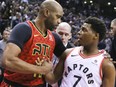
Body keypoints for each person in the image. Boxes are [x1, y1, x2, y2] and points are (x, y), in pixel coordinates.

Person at [1, 0, 67, 87]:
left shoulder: (54, 38)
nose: (59, 21)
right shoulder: (24, 29)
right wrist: (40, 69)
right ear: (46, 12)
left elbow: (65, 57)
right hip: (14, 84)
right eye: (57, 17)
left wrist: (53, 73)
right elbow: (7, 61)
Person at [45, 17, 115, 87]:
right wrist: (45, 68)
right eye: (81, 29)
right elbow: (52, 79)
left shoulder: (107, 65)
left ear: (96, 36)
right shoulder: (67, 53)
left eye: (84, 30)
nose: (79, 32)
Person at [50, 22, 75, 87]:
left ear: (70, 36)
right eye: (60, 33)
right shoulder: (47, 45)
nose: (63, 37)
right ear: (55, 32)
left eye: (66, 34)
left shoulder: (74, 52)